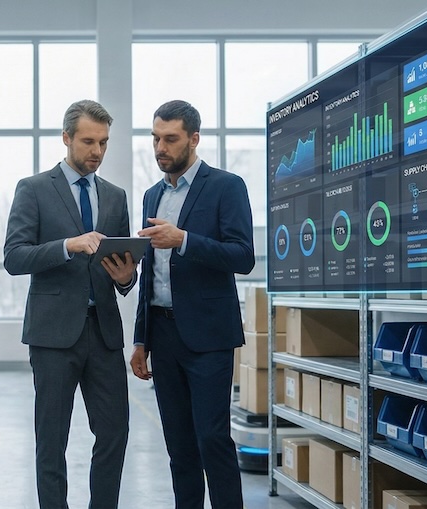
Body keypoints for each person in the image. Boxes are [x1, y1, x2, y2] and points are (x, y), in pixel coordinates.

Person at [3, 99, 138, 509]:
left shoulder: (114, 197)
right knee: (51, 441)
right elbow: (14, 257)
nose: (96, 151)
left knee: (114, 433)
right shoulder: (34, 189)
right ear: (66, 138)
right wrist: (66, 246)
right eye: (87, 141)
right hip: (52, 336)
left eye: (103, 143)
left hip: (103, 334)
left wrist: (126, 279)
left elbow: (125, 266)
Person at [130, 100, 255, 509]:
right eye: (155, 138)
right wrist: (141, 338)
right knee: (179, 447)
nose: (160, 148)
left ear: (194, 139)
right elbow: (150, 274)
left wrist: (183, 240)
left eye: (170, 139)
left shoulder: (226, 186)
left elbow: (242, 256)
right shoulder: (152, 196)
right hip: (163, 335)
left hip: (208, 336)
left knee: (212, 439)